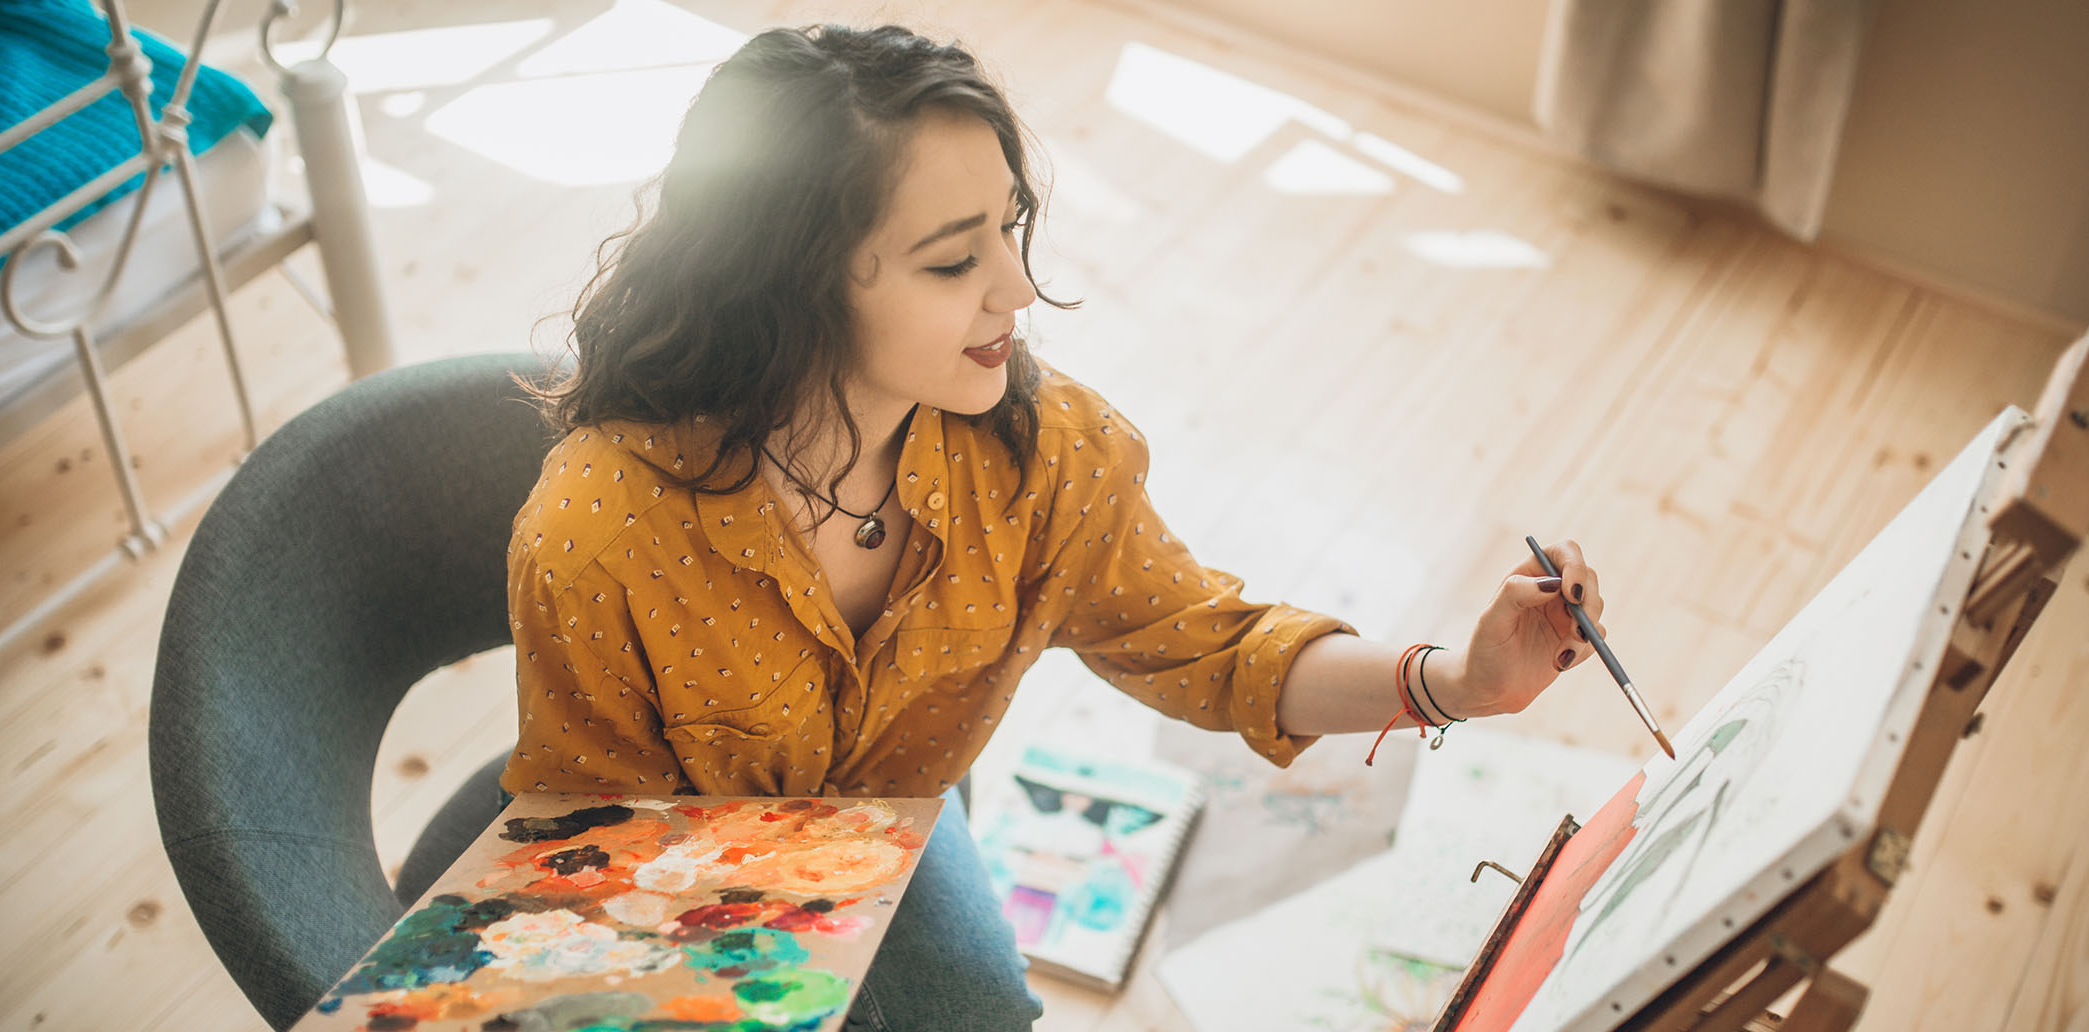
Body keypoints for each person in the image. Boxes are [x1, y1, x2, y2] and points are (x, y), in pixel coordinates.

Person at [502, 23, 1608, 1032]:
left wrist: (1459, 684)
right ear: (789, 283)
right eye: (953, 260)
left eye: (1009, 229)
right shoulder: (598, 535)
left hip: (890, 833)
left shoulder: (1043, 453)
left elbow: (1210, 647)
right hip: (678, 889)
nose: (1018, 288)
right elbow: (592, 859)